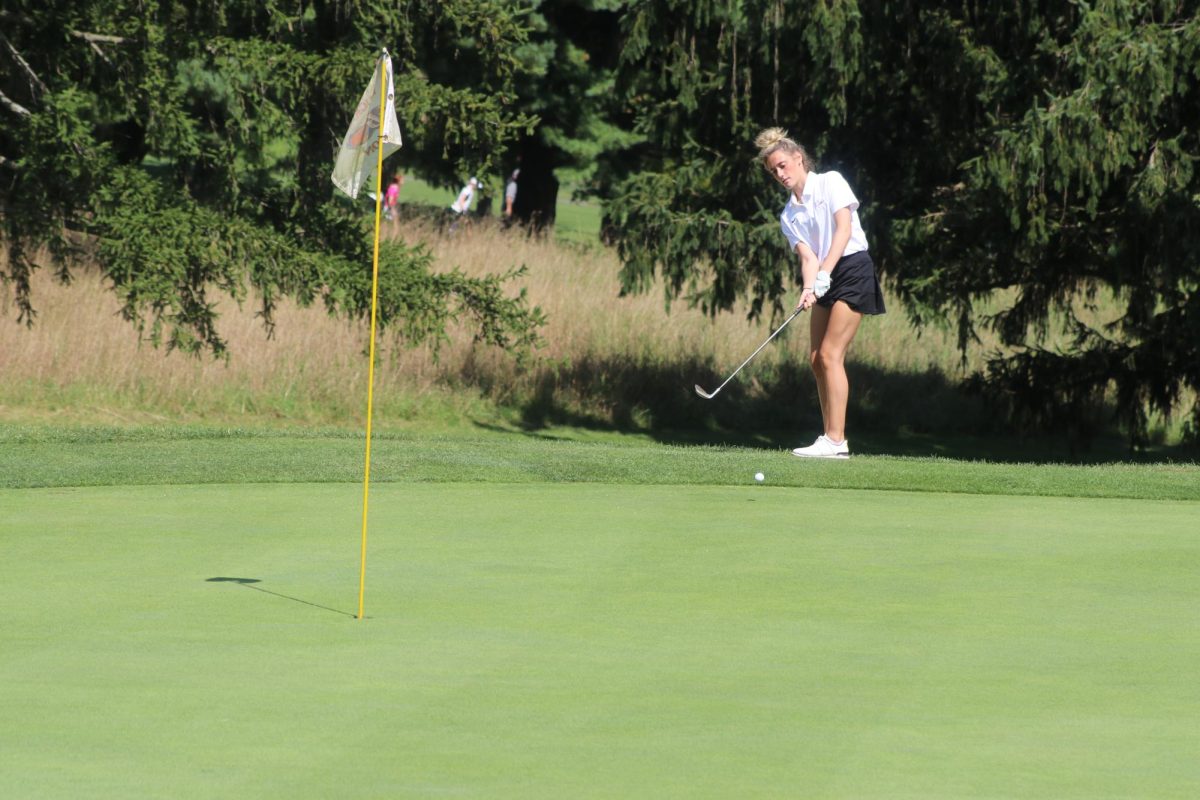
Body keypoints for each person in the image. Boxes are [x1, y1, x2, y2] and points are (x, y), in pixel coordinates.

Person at [755, 127, 885, 459]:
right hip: (825, 274)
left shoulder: (831, 182)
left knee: (830, 355)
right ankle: (829, 437)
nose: (780, 174)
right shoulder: (789, 214)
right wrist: (809, 288)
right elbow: (808, 257)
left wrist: (825, 273)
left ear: (799, 158)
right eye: (773, 171)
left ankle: (837, 440)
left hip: (853, 266)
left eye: (783, 165)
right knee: (816, 360)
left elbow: (843, 229)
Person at [384, 172, 404, 236]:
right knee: (395, 226)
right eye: (402, 180)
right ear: (398, 181)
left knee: (393, 225)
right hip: (389, 208)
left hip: (390, 208)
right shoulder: (394, 188)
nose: (403, 182)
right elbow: (390, 201)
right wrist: (393, 210)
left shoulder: (395, 187)